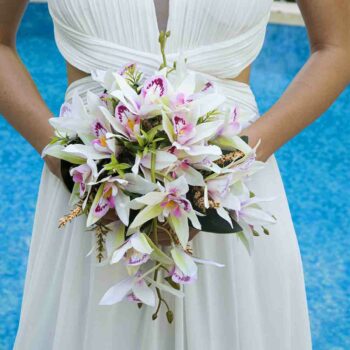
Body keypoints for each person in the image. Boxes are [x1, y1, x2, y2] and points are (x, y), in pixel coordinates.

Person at [0, 0, 349, 349]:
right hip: (93, 193)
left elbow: (338, 45)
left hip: (230, 193)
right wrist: (65, 161)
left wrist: (232, 160)